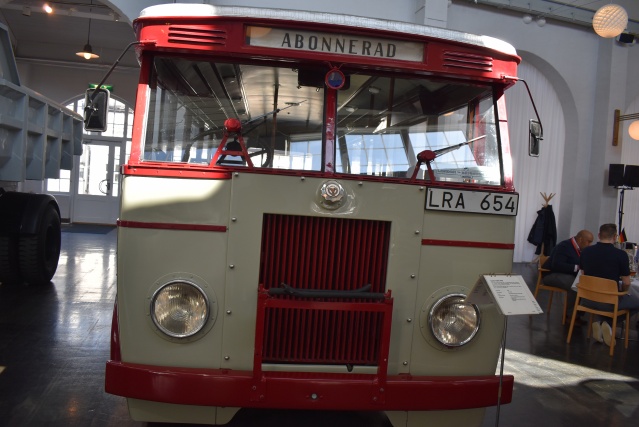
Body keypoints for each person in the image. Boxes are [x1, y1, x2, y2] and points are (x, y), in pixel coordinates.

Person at [579, 223, 639, 346]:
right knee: (636, 302)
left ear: (599, 235)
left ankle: (602, 322)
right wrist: (622, 292)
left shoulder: (586, 252)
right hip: (609, 303)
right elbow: (626, 282)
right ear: (615, 237)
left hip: (587, 299)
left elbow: (583, 275)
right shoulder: (621, 255)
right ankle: (607, 323)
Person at [541, 229, 594, 321]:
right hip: (550, 274)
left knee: (584, 284)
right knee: (574, 285)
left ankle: (577, 314)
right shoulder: (564, 246)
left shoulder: (581, 249)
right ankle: (569, 316)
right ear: (580, 239)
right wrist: (577, 267)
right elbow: (556, 265)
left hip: (566, 274)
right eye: (588, 242)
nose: (590, 245)